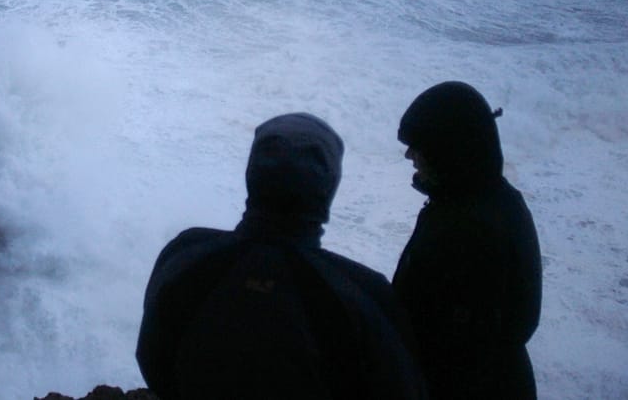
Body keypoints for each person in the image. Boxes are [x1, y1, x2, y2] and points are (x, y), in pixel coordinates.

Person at [136, 113, 428, 400]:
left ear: (252, 172)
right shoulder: (361, 295)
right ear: (329, 185)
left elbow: (152, 358)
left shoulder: (187, 254)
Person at [393, 81, 542, 400]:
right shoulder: (493, 202)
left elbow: (451, 354)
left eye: (418, 146)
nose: (409, 156)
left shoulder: (469, 231)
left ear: (449, 152)